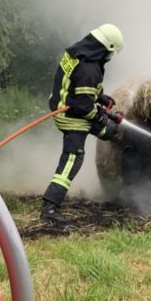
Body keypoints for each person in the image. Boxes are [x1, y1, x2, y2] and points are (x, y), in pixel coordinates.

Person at [40, 24, 125, 224]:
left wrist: (102, 98)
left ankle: (127, 170)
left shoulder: (78, 53)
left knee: (108, 131)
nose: (109, 57)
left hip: (67, 106)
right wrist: (105, 117)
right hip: (72, 116)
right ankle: (50, 208)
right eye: (110, 52)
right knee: (73, 159)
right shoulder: (90, 68)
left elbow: (79, 87)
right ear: (104, 47)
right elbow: (85, 106)